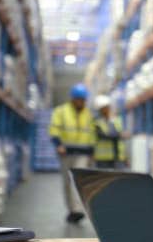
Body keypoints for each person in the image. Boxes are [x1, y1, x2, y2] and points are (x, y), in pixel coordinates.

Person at [48, 83, 96, 223]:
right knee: (67, 182)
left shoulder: (88, 114)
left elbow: (92, 134)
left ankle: (78, 209)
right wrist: (58, 145)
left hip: (82, 153)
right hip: (66, 153)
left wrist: (92, 152)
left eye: (83, 100)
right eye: (79, 99)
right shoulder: (61, 111)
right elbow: (54, 129)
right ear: (73, 99)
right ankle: (72, 209)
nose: (82, 102)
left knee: (79, 181)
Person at [92, 95, 128, 169]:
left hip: (117, 157)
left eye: (107, 107)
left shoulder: (116, 120)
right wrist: (120, 135)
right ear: (100, 110)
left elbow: (117, 133)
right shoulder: (96, 122)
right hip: (102, 158)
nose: (106, 110)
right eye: (104, 108)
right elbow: (104, 135)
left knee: (118, 175)